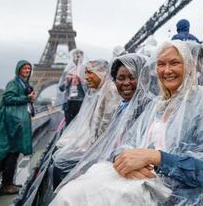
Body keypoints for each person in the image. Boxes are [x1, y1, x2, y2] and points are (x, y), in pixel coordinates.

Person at [50, 41, 203, 206]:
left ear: (189, 66)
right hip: (137, 182)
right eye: (161, 64)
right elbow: (126, 144)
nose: (167, 70)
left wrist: (156, 158)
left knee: (74, 198)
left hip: (174, 195)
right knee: (71, 193)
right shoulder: (157, 105)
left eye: (174, 63)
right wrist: (124, 161)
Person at [55, 53, 151, 191]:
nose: (126, 83)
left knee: (62, 165)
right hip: (112, 157)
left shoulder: (138, 105)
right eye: (121, 78)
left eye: (132, 77)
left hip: (118, 161)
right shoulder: (125, 103)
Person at [52, 59, 121, 188]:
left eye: (90, 73)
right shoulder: (99, 91)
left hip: (102, 152)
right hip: (97, 147)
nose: (86, 77)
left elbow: (105, 130)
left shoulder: (110, 91)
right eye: (85, 73)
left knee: (60, 163)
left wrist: (87, 148)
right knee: (59, 154)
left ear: (101, 73)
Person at [0, 60, 37, 195]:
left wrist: (29, 99)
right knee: (11, 153)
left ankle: (9, 183)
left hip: (17, 123)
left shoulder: (23, 84)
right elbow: (8, 98)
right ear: (18, 69)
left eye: (29, 69)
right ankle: (6, 185)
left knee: (14, 153)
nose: (27, 71)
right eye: (24, 68)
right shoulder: (13, 83)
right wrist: (26, 98)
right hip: (12, 123)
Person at [55, 49, 87, 125]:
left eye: (80, 54)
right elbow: (61, 88)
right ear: (72, 56)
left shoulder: (86, 70)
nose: (78, 56)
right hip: (68, 102)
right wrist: (67, 82)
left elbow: (90, 88)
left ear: (83, 57)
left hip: (81, 102)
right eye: (76, 54)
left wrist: (81, 80)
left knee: (79, 125)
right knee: (69, 124)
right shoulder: (67, 71)